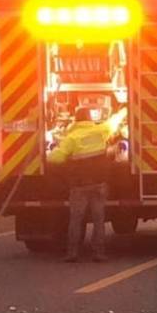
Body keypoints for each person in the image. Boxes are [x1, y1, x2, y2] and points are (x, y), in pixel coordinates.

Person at [47, 107, 115, 262]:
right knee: (99, 219)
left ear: (75, 120)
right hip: (99, 185)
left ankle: (72, 253)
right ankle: (99, 253)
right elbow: (113, 123)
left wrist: (49, 155)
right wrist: (124, 111)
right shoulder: (100, 130)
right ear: (90, 118)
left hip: (79, 187)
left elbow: (55, 158)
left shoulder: (72, 137)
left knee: (76, 220)